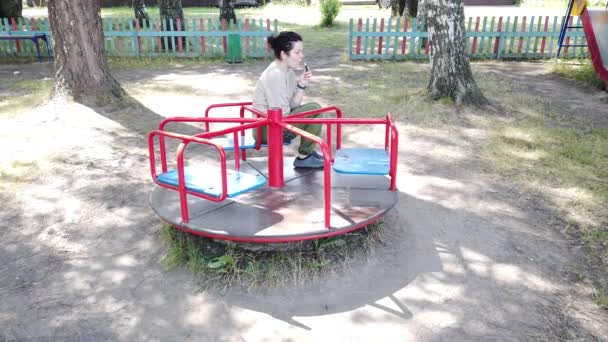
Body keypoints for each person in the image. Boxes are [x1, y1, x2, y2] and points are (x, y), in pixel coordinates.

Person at [252, 31, 324, 169]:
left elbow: (292, 105)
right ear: (284, 54)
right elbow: (283, 115)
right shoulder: (275, 75)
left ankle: (306, 155)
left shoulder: (288, 73)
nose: (301, 56)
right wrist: (298, 112)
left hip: (276, 124)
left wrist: (301, 84)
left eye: (301, 52)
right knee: (314, 108)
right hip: (266, 130)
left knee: (315, 109)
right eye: (297, 52)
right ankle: (305, 156)